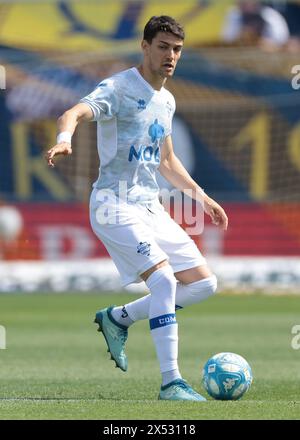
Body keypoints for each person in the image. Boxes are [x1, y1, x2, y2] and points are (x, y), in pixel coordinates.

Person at [45, 15, 228, 401]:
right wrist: (65, 139)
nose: (170, 55)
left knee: (203, 284)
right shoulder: (119, 87)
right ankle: (171, 382)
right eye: (162, 46)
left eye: (176, 49)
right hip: (113, 204)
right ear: (145, 47)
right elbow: (73, 113)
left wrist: (203, 196)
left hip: (150, 207)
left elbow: (166, 161)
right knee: (162, 281)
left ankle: (118, 317)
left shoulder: (167, 100)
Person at [222, 0, 290, 50]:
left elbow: (281, 41)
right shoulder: (234, 14)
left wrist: (261, 42)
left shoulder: (270, 16)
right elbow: (228, 39)